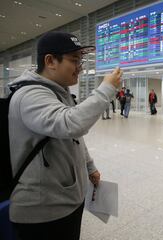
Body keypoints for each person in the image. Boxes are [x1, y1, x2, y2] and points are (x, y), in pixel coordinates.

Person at [8, 31, 122, 240]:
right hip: (42, 211)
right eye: (74, 60)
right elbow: (70, 124)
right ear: (50, 61)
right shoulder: (30, 95)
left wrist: (89, 166)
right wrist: (106, 89)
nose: (81, 67)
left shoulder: (58, 92)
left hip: (66, 202)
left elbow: (73, 138)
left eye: (81, 60)